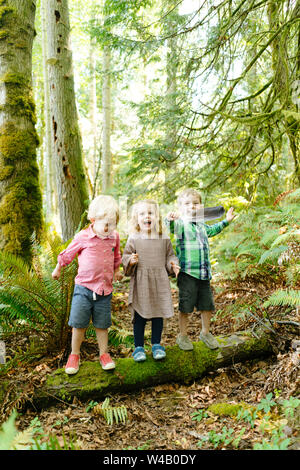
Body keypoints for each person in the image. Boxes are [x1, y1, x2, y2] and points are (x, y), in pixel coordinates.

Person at [52, 195, 123, 374]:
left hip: (104, 290)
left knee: (102, 324)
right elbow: (67, 253)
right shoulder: (83, 236)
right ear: (93, 220)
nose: (109, 228)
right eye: (105, 224)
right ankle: (74, 355)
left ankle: (104, 354)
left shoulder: (114, 237)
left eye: (112, 224)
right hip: (83, 288)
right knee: (79, 324)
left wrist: (116, 271)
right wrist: (58, 268)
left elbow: (116, 257)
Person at [165, 188, 235, 351]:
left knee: (207, 305)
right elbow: (171, 226)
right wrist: (170, 219)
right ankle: (182, 336)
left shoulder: (202, 226)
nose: (192, 207)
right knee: (186, 306)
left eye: (195, 203)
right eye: (187, 204)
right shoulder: (181, 225)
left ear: (201, 206)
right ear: (181, 208)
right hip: (187, 273)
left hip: (204, 274)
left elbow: (213, 230)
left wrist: (227, 221)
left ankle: (205, 332)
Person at [122, 200, 180, 362]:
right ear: (136, 218)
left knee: (157, 313)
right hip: (141, 282)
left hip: (159, 281)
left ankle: (156, 344)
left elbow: (170, 255)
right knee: (140, 315)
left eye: (150, 213)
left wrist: (173, 265)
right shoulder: (134, 238)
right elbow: (125, 257)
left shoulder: (163, 238)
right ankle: (138, 347)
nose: (147, 216)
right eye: (142, 214)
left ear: (157, 217)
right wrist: (131, 260)